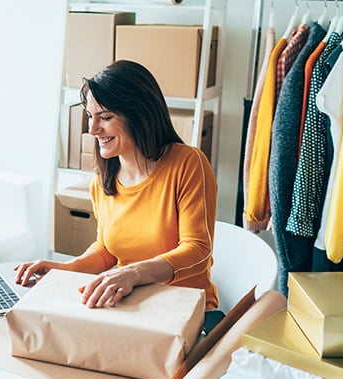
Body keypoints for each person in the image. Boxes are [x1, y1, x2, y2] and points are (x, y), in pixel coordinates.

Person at [15, 60, 218, 310]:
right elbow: (106, 250)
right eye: (90, 116)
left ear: (140, 114)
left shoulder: (188, 164)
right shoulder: (102, 180)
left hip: (186, 310)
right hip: (132, 307)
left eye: (106, 117)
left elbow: (197, 252)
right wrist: (66, 269)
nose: (92, 129)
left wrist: (132, 274)